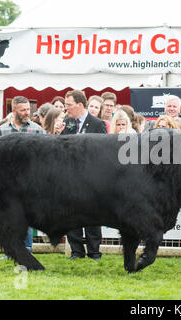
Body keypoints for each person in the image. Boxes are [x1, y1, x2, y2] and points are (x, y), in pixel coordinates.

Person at [61, 89, 107, 262]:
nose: (67, 109)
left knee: (92, 217)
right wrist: (57, 134)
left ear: (80, 105)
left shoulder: (97, 123)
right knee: (71, 216)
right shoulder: (67, 122)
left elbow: (103, 151)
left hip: (91, 179)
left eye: (69, 105)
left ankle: (94, 252)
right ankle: (77, 251)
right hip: (70, 178)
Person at [0, 96, 44, 258]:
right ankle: (10, 250)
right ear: (14, 110)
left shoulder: (37, 129)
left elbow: (44, 157)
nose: (26, 113)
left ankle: (27, 249)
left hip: (29, 182)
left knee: (26, 216)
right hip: (7, 182)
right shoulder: (2, 130)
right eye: (23, 110)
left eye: (28, 110)